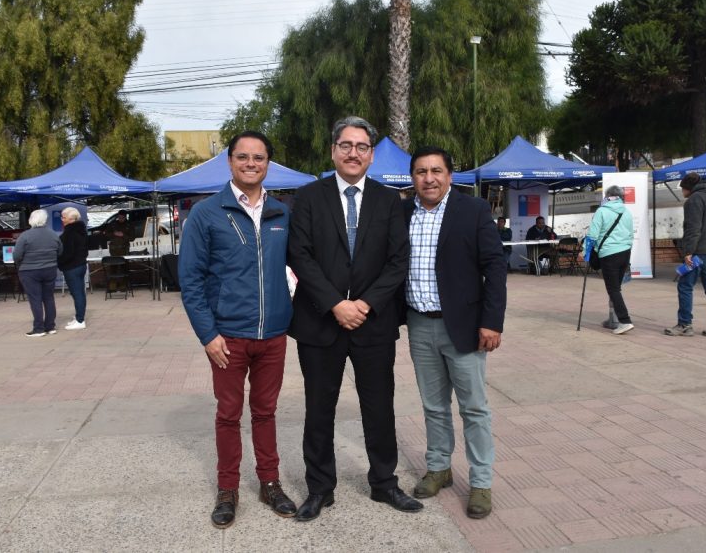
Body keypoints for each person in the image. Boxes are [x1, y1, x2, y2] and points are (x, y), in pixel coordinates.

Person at [288, 115, 421, 521]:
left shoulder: (389, 201)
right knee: (319, 409)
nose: (353, 153)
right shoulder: (308, 197)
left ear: (371, 155)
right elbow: (301, 255)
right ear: (333, 150)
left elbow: (399, 261)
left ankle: (384, 484)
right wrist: (335, 304)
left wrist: (364, 304)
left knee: (379, 407)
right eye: (346, 145)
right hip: (320, 322)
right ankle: (319, 489)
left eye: (362, 147)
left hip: (374, 323)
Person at [179, 130, 296, 529]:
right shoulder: (207, 213)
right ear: (229, 162)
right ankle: (227, 488)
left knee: (265, 412)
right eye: (243, 157)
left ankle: (269, 482)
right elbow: (190, 280)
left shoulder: (282, 213)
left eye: (258, 158)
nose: (251, 164)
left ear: (268, 164)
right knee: (229, 414)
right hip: (227, 337)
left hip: (273, 336)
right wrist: (208, 335)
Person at [403, 146, 507, 519]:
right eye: (420, 171)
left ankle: (480, 482)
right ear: (412, 177)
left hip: (464, 326)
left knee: (474, 408)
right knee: (433, 405)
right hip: (418, 323)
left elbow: (495, 267)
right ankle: (439, 467)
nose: (428, 178)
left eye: (435, 171)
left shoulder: (473, 210)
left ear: (449, 175)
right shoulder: (403, 213)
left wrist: (492, 321)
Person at [665, 172, 706, 338]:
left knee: (685, 286)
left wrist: (688, 252)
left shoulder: (693, 200)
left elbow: (693, 229)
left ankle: (685, 324)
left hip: (696, 254)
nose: (682, 192)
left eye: (682, 188)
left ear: (688, 187)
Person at [586, 186, 635, 335]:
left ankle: (624, 321)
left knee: (613, 289)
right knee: (616, 288)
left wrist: (585, 253)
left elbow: (592, 235)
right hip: (625, 252)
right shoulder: (626, 211)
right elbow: (630, 233)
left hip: (609, 254)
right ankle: (613, 319)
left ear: (607, 196)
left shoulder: (601, 211)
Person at [14, 209, 62, 337]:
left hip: (29, 270)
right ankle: (50, 326)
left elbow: (17, 255)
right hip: (50, 269)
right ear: (45, 220)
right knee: (49, 298)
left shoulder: (25, 235)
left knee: (35, 299)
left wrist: (20, 264)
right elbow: (60, 251)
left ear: (31, 220)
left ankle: (39, 328)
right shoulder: (53, 234)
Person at [58, 207, 88, 330]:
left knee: (77, 293)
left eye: (63, 217)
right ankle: (79, 317)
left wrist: (60, 263)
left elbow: (67, 253)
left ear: (71, 219)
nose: (62, 219)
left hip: (72, 267)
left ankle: (80, 320)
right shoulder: (81, 230)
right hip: (80, 264)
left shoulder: (69, 233)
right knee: (80, 292)